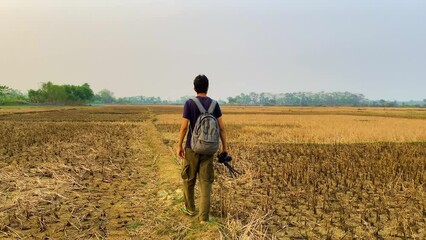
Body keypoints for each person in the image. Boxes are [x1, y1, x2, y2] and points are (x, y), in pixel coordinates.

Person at [177, 74, 228, 224]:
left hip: (191, 148)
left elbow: (184, 127)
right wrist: (225, 148)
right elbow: (222, 129)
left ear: (194, 88)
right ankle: (204, 218)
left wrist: (179, 145)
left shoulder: (189, 103)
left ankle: (190, 209)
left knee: (188, 178)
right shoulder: (214, 105)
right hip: (209, 149)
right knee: (206, 182)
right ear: (207, 87)